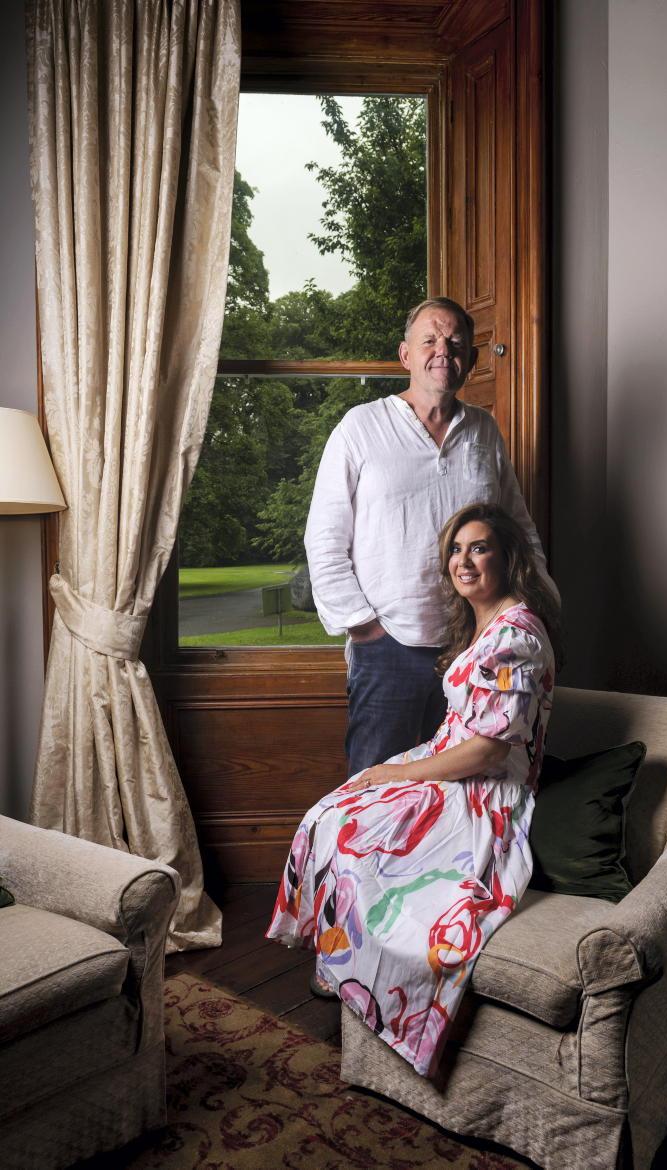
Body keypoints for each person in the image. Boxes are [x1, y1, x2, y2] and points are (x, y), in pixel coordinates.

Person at [267, 502, 558, 1078]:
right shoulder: (488, 623)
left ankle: (377, 992)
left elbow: (488, 751)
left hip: (484, 791)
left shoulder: (515, 637)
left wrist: (398, 774)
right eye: (456, 550)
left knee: (355, 836)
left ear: (508, 558)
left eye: (479, 548)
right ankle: (339, 963)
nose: (463, 561)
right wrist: (394, 771)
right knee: (330, 813)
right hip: (450, 764)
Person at [304, 297, 558, 777]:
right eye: (430, 341)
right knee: (375, 789)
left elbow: (518, 528)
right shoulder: (361, 427)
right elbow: (324, 539)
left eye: (456, 343)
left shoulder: (484, 430)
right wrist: (365, 628)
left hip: (476, 646)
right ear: (406, 355)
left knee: (457, 790)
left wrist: (536, 605)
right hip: (389, 648)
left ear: (472, 360)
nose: (444, 350)